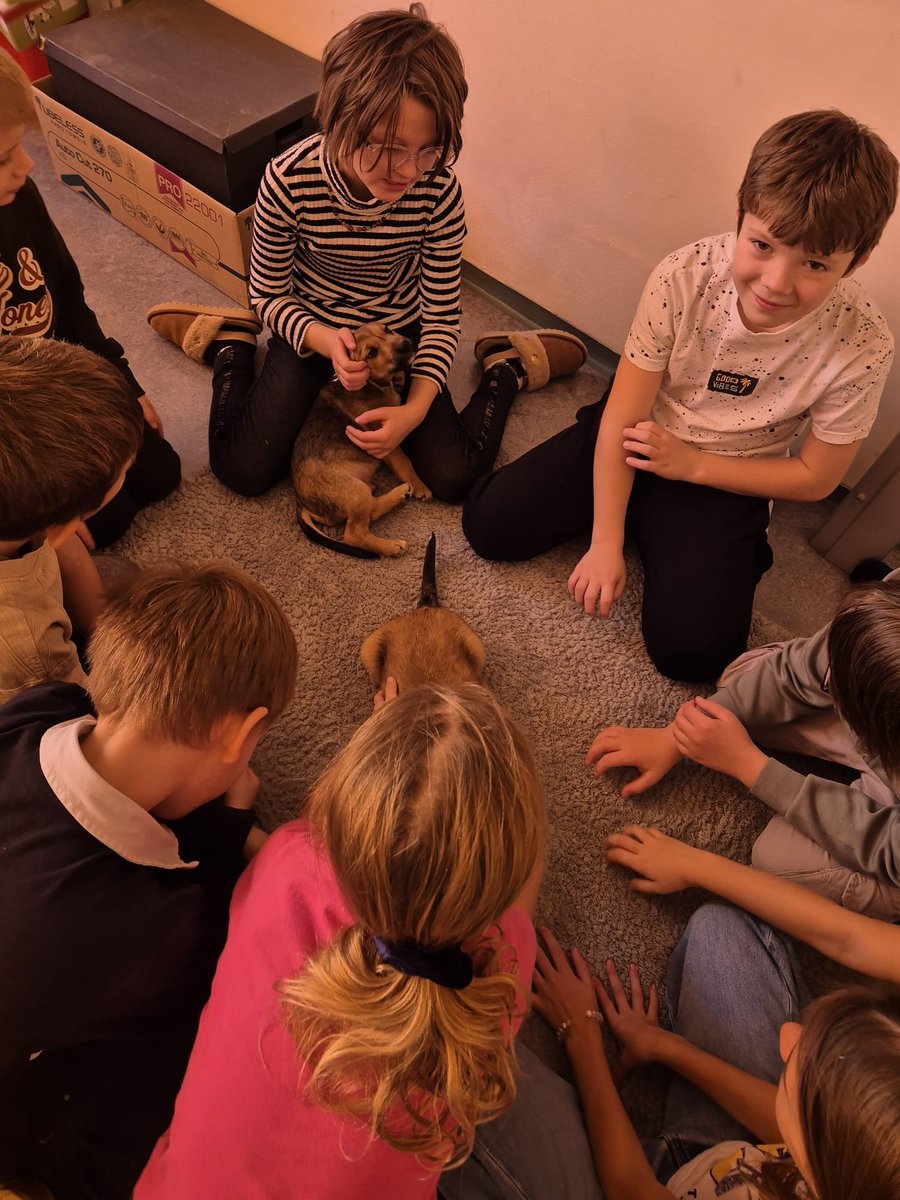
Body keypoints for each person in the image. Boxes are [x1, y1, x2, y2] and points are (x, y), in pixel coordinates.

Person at [462, 110, 898, 682]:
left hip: (730, 474)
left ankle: (664, 525)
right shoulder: (684, 275)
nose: (776, 283)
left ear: (856, 261)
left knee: (695, 655)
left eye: (814, 264)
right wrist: (605, 539)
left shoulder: (863, 342)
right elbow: (624, 414)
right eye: (761, 245)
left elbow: (816, 478)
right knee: (488, 526)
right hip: (637, 433)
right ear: (739, 215)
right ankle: (624, 506)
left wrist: (692, 466)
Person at [147, 4, 585, 503]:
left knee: (455, 476)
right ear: (338, 118)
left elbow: (440, 317)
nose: (409, 171)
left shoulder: (438, 191)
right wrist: (323, 339)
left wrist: (413, 411)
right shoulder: (288, 179)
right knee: (242, 468)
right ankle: (231, 347)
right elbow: (267, 295)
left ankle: (505, 366)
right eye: (388, 147)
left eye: (429, 150)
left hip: (397, 332)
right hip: (313, 328)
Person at [136, 682, 545, 1199]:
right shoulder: (499, 967)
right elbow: (523, 878)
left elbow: (330, 836)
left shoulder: (288, 862)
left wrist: (396, 777)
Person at [0, 563, 297, 1200]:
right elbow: (218, 920)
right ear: (240, 734)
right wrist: (232, 824)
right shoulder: (162, 924)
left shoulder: (39, 707)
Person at [440, 903, 900, 1200]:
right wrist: (664, 1045)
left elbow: (630, 1185)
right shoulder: (866, 1166)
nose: (788, 1034)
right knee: (722, 931)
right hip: (735, 1159)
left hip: (645, 1185)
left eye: (801, 1056)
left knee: (458, 1079)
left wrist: (580, 1033)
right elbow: (783, 1122)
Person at [588, 572, 900, 918]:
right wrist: (675, 737)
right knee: (737, 683)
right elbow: (797, 672)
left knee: (775, 858)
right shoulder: (885, 603)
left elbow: (886, 846)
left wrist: (750, 767)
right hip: (880, 727)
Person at [0, 50, 180, 549]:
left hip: (61, 382)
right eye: (3, 158)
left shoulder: (20, 196)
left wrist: (125, 385)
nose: (27, 165)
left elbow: (70, 299)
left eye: (20, 146)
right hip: (14, 425)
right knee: (105, 521)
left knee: (159, 474)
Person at [0, 336, 144, 705]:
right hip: (25, 693)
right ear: (61, 527)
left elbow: (62, 548)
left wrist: (106, 637)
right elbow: (84, 719)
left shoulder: (24, 525)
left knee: (122, 583)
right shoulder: (32, 653)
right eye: (125, 470)